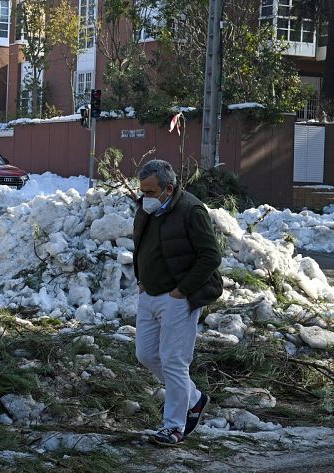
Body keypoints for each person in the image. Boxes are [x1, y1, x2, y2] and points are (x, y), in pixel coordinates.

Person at [132, 159, 223, 446]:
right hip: (149, 294)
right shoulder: (148, 208)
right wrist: (142, 280)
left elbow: (211, 256)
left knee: (174, 362)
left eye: (149, 191)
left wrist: (182, 291)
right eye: (142, 191)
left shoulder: (191, 210)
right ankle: (194, 399)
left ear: (168, 189)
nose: (143, 197)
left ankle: (174, 427)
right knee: (146, 354)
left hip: (177, 298)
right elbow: (142, 245)